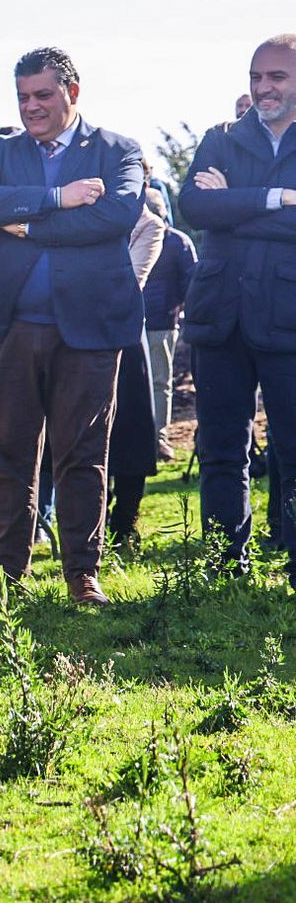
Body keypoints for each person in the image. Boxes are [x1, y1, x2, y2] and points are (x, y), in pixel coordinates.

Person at [0, 47, 145, 607]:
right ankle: (4, 572)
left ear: (73, 93)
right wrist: (56, 200)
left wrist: (27, 226)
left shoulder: (118, 151)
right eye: (22, 97)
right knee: (7, 450)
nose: (31, 107)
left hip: (88, 329)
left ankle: (82, 574)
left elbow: (115, 215)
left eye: (42, 95)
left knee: (83, 452)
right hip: (9, 327)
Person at [178, 34, 296, 578]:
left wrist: (233, 202)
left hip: (287, 316)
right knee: (223, 449)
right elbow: (196, 207)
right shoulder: (220, 138)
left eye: (276, 77)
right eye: (256, 77)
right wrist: (275, 199)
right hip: (219, 318)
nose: (263, 87)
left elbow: (218, 209)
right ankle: (224, 565)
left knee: (293, 452)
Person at [107, 194, 166, 543]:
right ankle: (89, 521)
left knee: (131, 434)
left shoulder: (149, 225)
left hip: (125, 337)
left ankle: (125, 522)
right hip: (76, 336)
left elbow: (129, 279)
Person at [141, 184, 197, 460]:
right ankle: (154, 439)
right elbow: (192, 285)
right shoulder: (178, 240)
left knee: (159, 383)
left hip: (158, 322)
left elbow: (191, 285)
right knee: (159, 384)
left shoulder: (176, 242)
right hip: (153, 322)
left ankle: (156, 439)